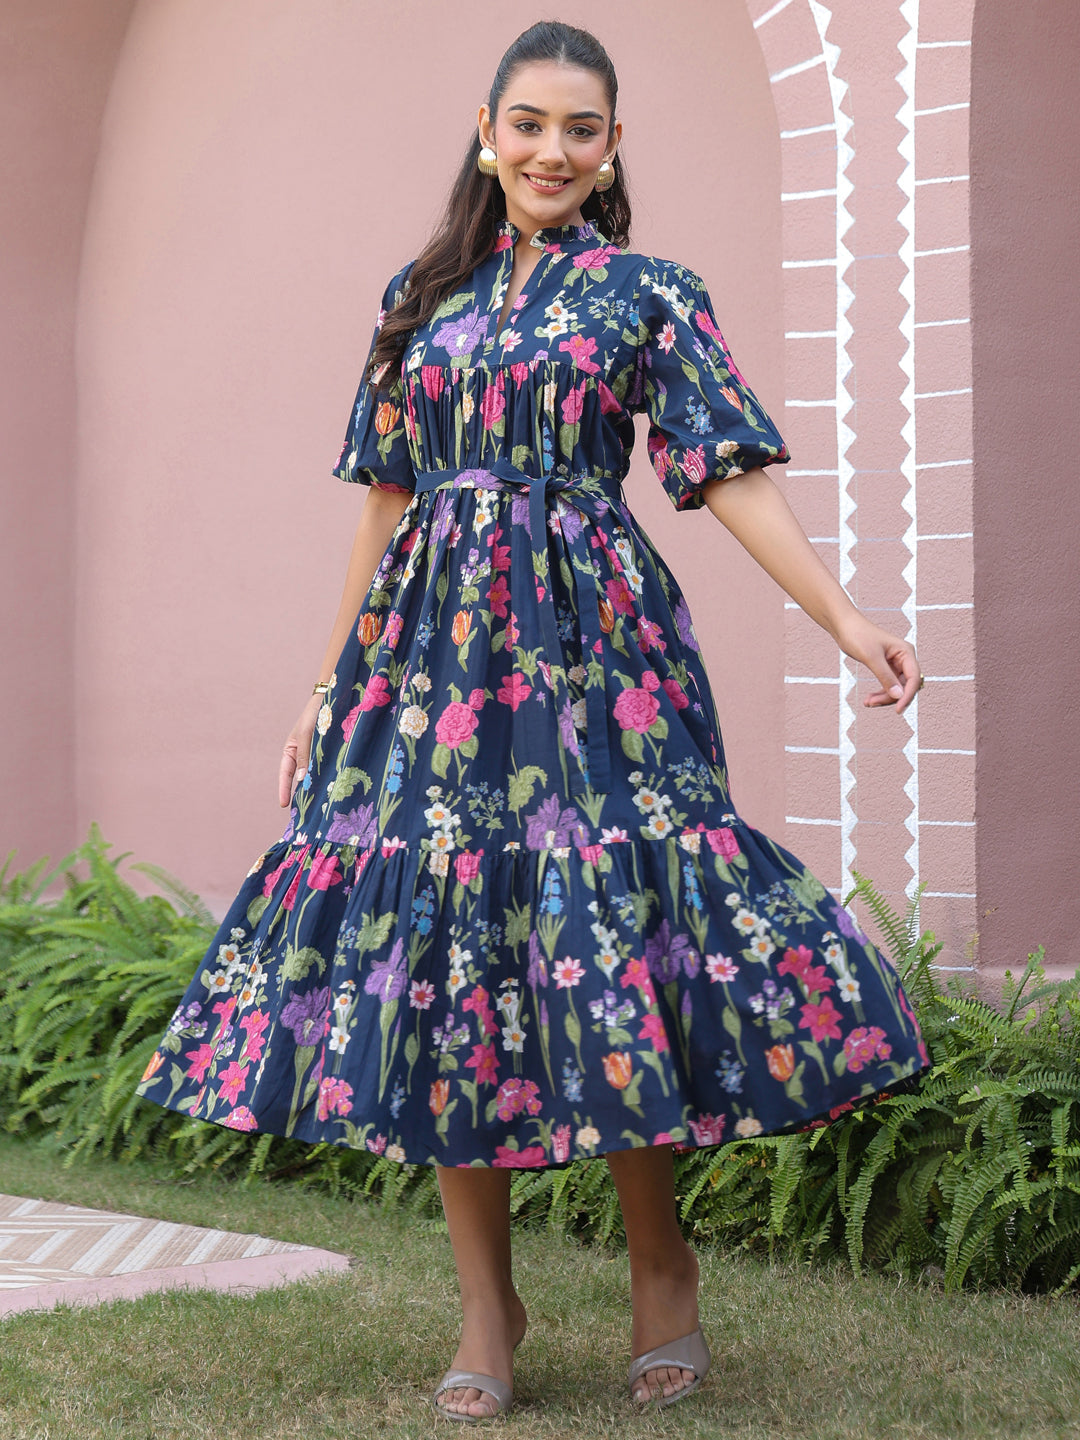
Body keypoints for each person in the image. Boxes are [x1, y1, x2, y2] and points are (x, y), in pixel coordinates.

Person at [137, 20, 929, 1421]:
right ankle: (484, 1305)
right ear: (486, 130)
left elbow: (725, 472)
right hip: (430, 665)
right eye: (530, 124)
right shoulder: (418, 299)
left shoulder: (648, 294)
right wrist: (327, 685)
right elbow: (386, 502)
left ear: (613, 148)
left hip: (595, 655)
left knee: (606, 928)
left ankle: (660, 1268)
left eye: (581, 129)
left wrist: (842, 616)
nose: (552, 151)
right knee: (449, 946)